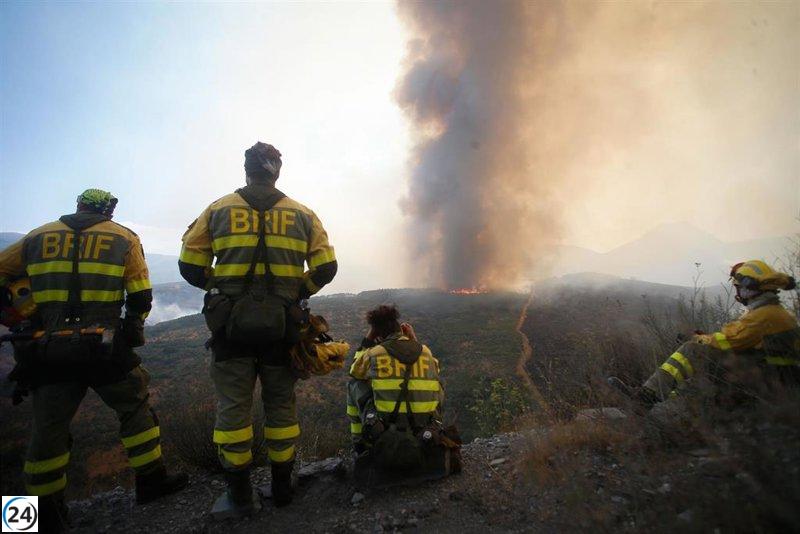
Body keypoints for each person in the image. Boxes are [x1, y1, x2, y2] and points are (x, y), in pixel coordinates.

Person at [0, 189, 188, 532]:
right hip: (103, 345)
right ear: (109, 211)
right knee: (135, 406)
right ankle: (151, 481)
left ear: (79, 206)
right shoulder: (123, 238)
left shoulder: (37, 236)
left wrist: (16, 319)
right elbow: (141, 295)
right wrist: (132, 332)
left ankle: (33, 520)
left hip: (47, 348)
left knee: (46, 429)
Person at [179, 142, 338, 516]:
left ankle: (239, 496)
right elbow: (326, 269)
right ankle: (282, 488)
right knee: (281, 406)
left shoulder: (218, 209)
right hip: (283, 330)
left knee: (233, 409)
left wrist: (220, 290)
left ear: (247, 170)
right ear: (276, 172)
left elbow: (189, 266)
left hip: (230, 330)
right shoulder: (303, 214)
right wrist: (295, 291)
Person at [610, 260, 799, 408]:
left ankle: (647, 397)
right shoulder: (774, 312)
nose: (738, 291)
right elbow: (738, 339)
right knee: (703, 361)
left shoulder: (764, 315)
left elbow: (728, 342)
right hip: (775, 377)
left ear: (750, 287)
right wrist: (708, 338)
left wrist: (698, 339)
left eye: (739, 286)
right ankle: (670, 398)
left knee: (693, 351)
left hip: (769, 381)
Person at [347, 304, 460, 482]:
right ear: (399, 328)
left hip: (386, 432)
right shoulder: (426, 352)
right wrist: (414, 340)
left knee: (354, 384)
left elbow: (354, 370)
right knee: (438, 382)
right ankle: (434, 425)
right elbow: (434, 368)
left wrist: (368, 339)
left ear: (378, 333)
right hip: (424, 433)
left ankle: (360, 444)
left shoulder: (374, 353)